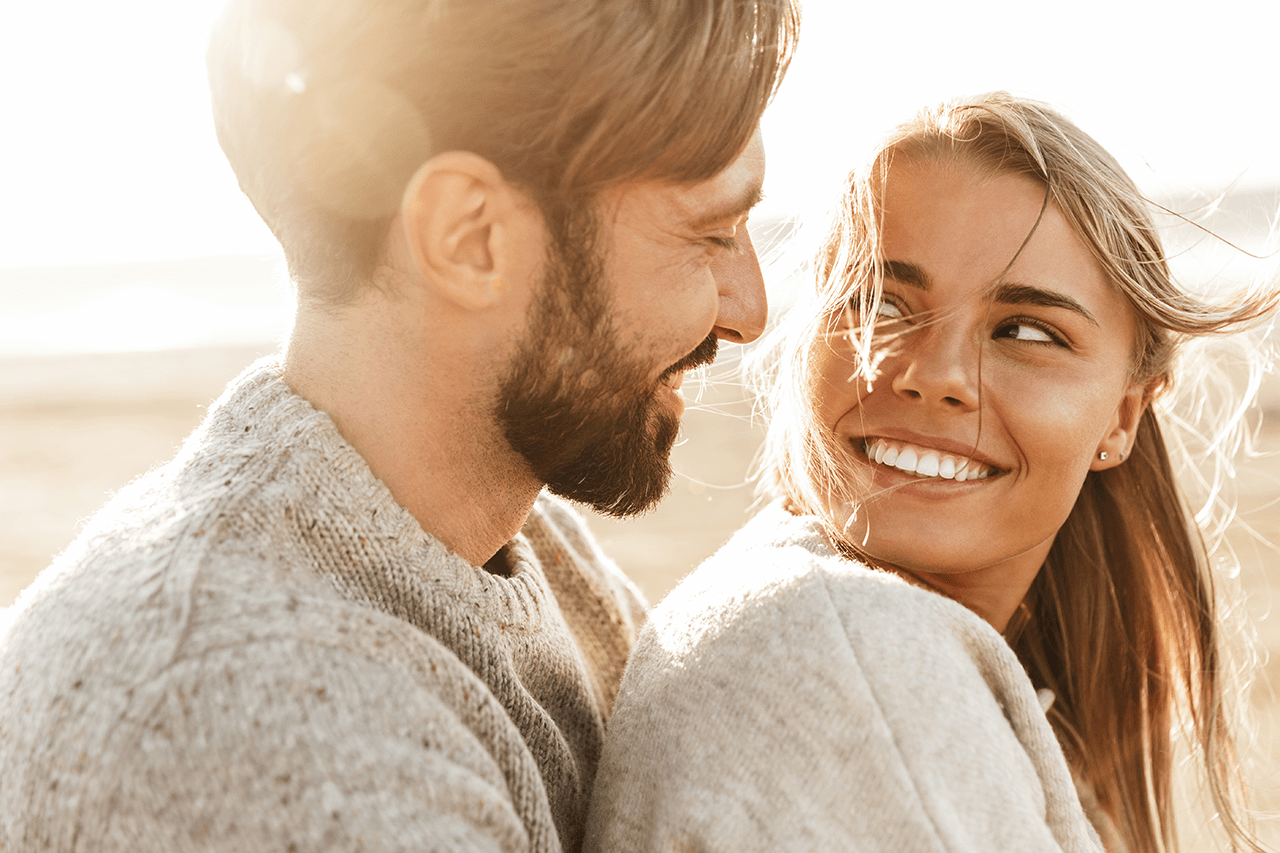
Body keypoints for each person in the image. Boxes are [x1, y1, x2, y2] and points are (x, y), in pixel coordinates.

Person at [0, 0, 798, 849]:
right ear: (468, 236)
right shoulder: (255, 723)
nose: (750, 310)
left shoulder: (525, 544)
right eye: (709, 234)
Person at [584, 93, 1278, 853]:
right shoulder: (852, 650)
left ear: (1123, 417)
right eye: (881, 302)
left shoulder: (853, 627)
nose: (935, 375)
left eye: (1024, 331)